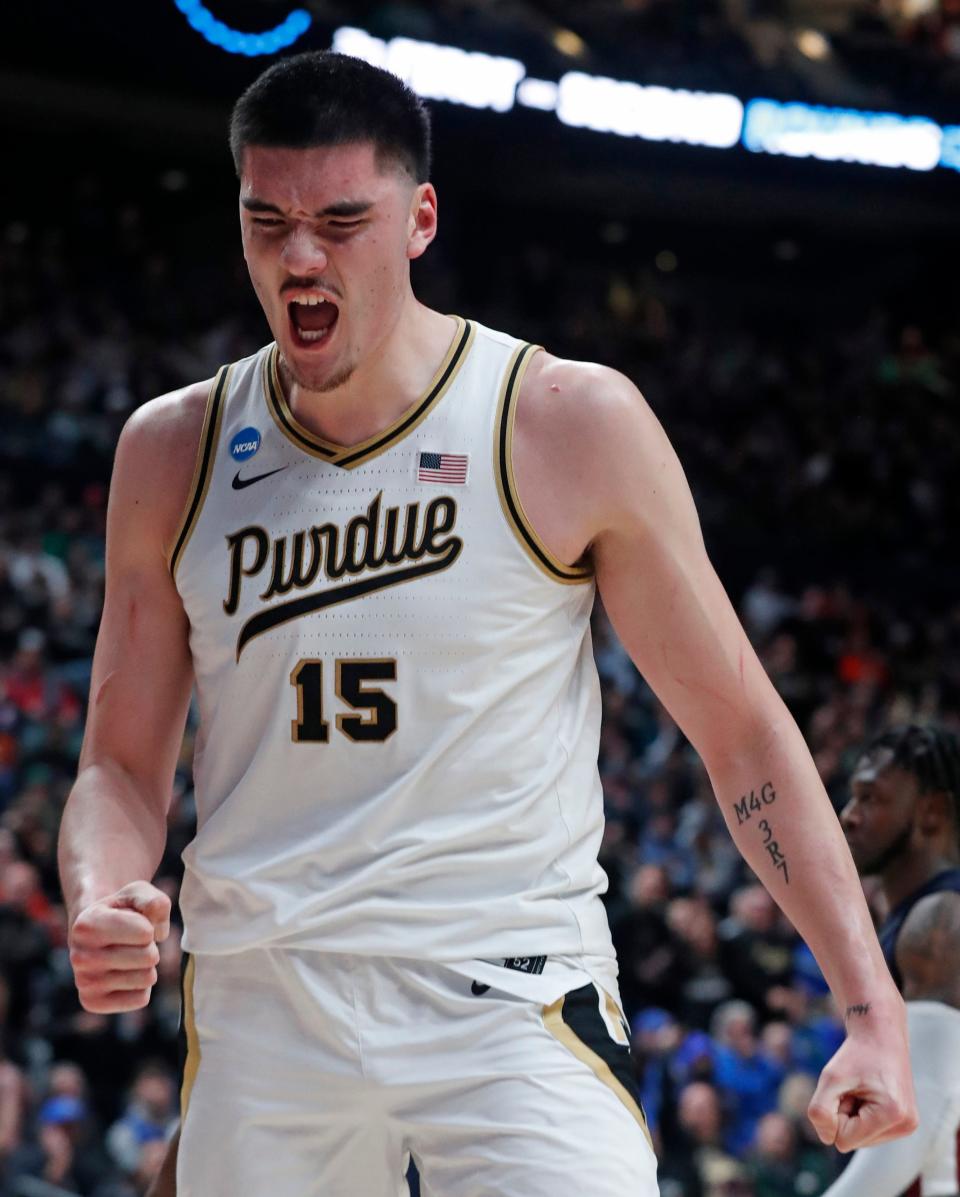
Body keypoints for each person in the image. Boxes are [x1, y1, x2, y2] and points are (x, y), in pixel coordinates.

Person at [58, 50, 916, 1197]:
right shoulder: (172, 451)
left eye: (339, 221)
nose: (300, 257)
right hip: (267, 1006)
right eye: (269, 222)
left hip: (509, 1001)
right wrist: (101, 891)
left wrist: (870, 1011)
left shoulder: (562, 419)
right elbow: (118, 762)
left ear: (419, 219)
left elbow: (746, 738)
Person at [820, 724, 960, 1196]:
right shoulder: (910, 919)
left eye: (871, 798)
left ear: (932, 812)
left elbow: (922, 1116)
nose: (848, 816)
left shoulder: (941, 922)